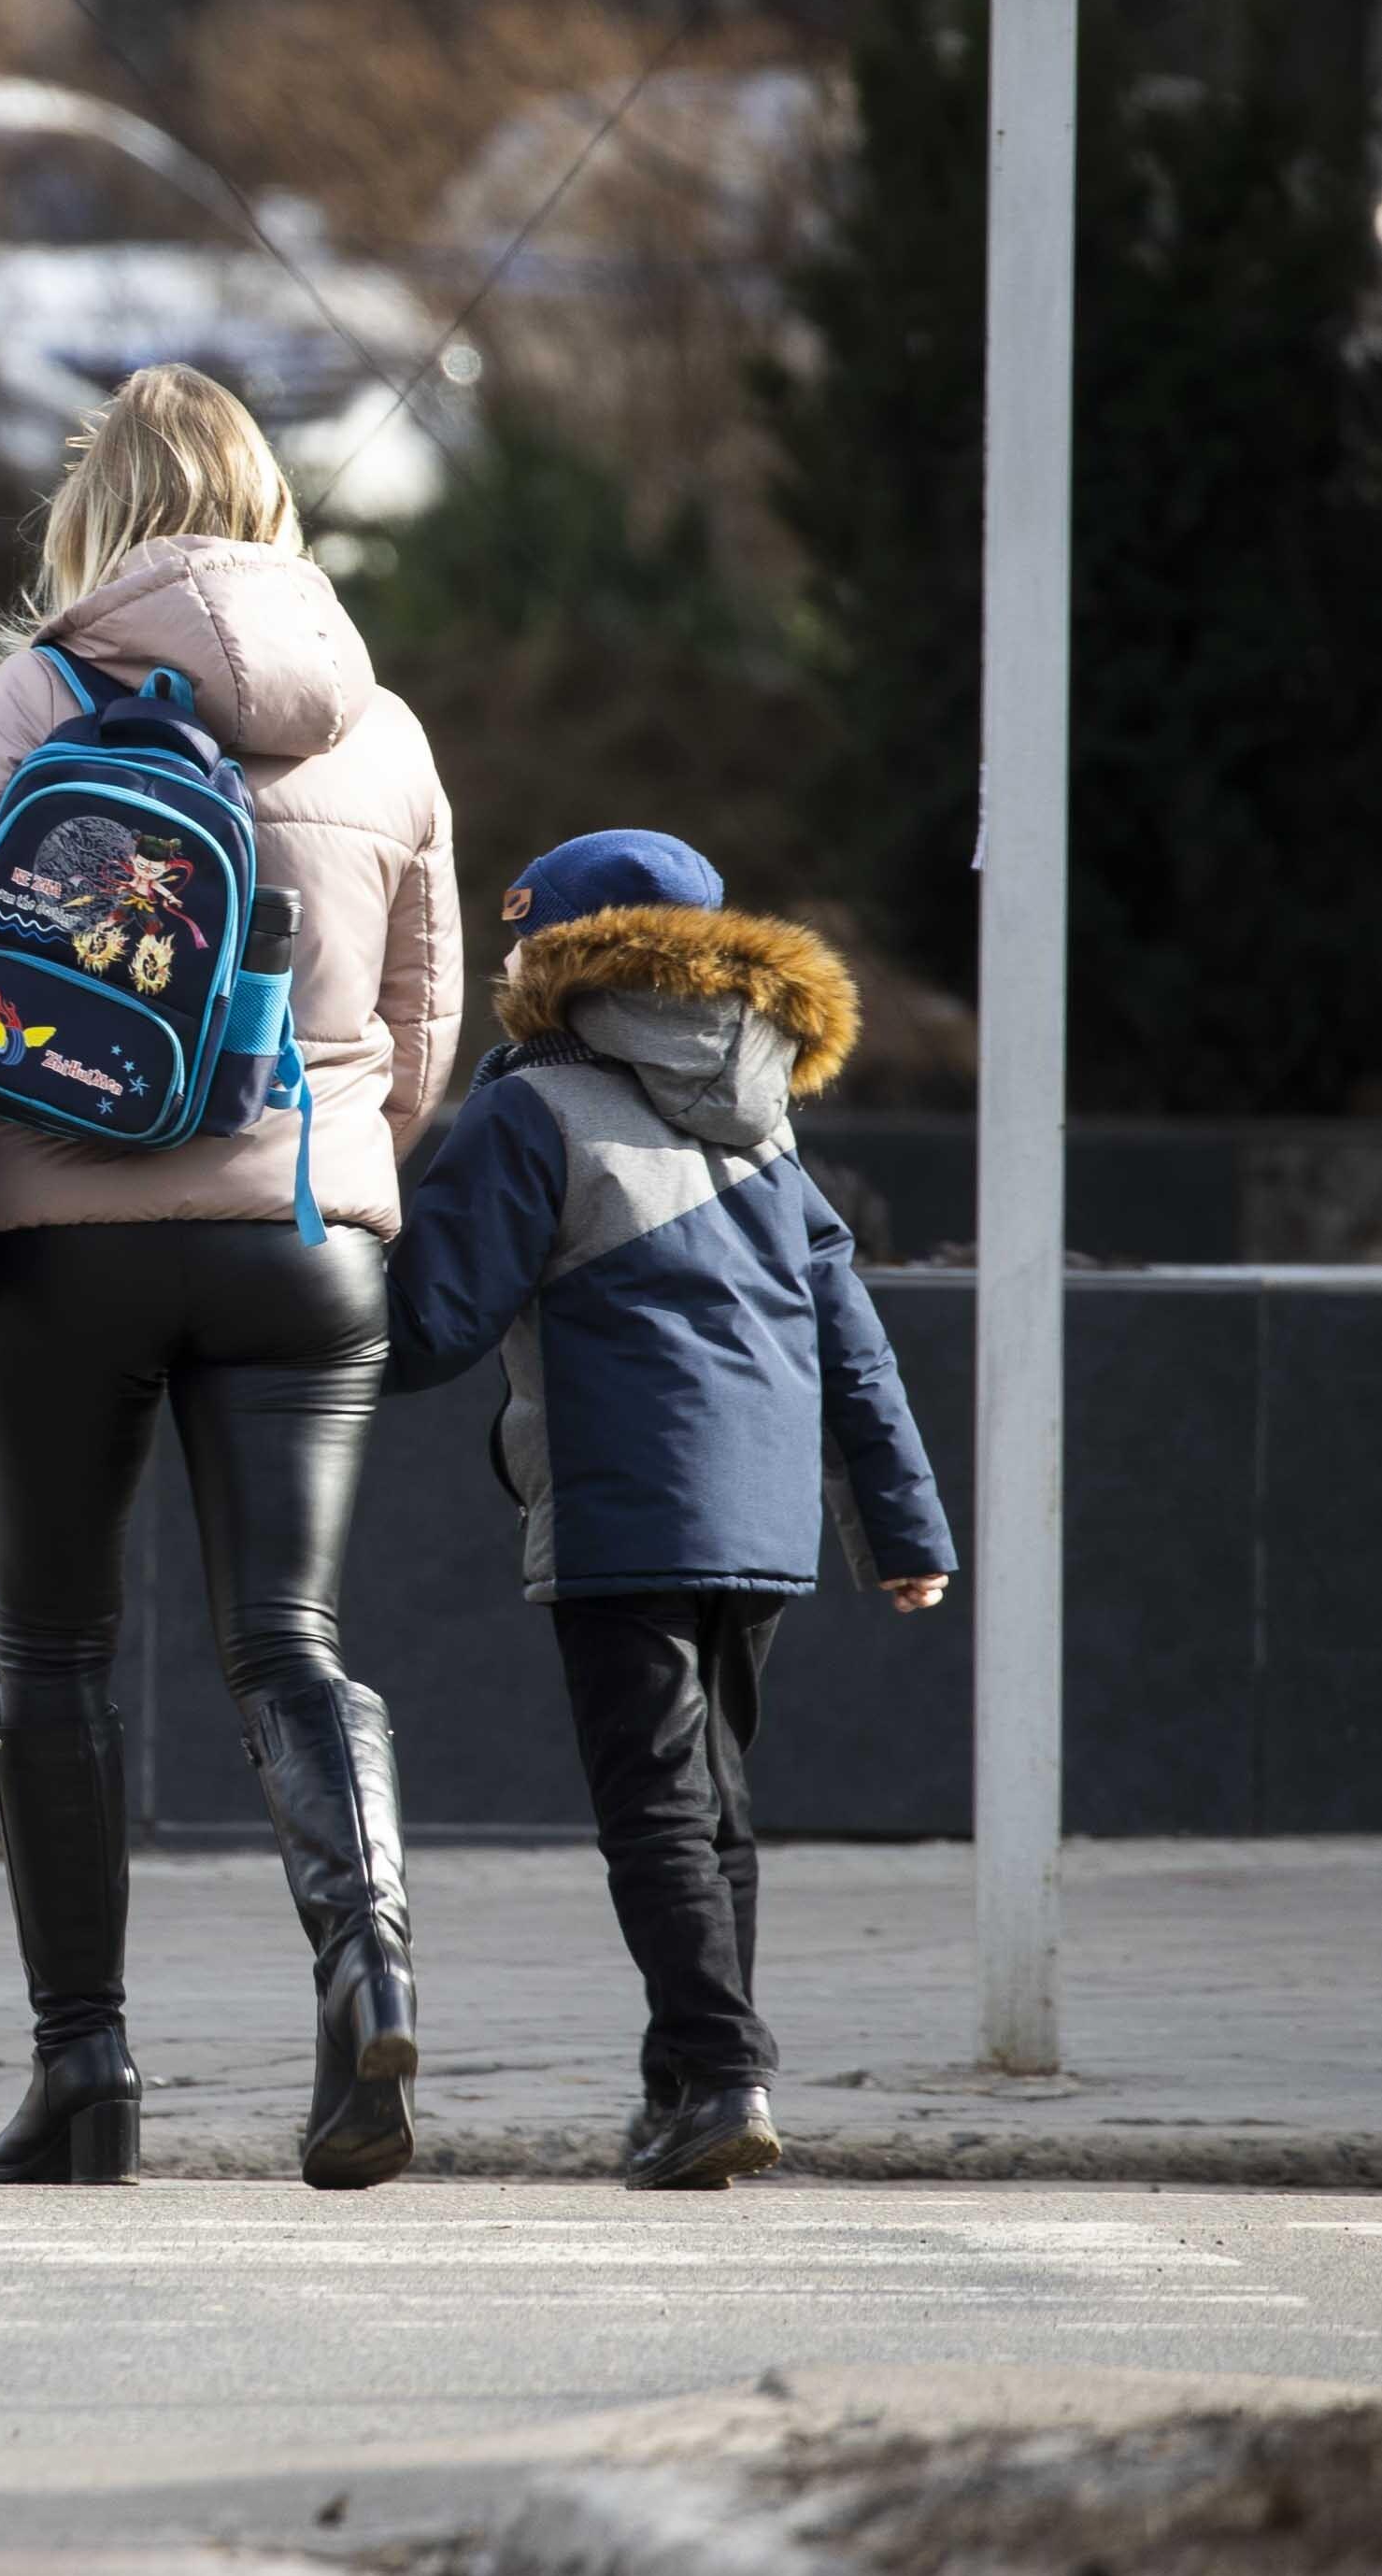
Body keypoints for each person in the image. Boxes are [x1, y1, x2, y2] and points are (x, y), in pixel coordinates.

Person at [0, 364, 459, 2194]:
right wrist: (329, 1174)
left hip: (58, 1239)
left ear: (90, 517)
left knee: (55, 1644)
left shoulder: (49, 682)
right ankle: (365, 1979)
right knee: (286, 1637)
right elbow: (420, 1035)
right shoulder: (382, 723)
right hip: (301, 1235)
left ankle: (84, 2079)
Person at [378, 831, 956, 2194]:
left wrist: (304, 1283)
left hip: (624, 1499)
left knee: (651, 1809)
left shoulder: (530, 1108)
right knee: (713, 1805)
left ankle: (721, 2072)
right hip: (763, 1515)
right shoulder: (768, 1118)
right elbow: (850, 1342)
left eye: (518, 941)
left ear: (566, 958)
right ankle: (685, 2088)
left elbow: (432, 1325)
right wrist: (905, 1531)